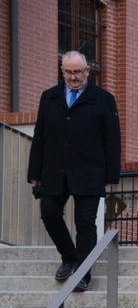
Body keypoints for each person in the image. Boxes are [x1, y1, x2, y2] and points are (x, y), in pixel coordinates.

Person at [27, 50, 121, 292]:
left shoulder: (103, 99)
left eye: (77, 72)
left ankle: (83, 273)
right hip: (54, 170)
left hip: (89, 171)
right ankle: (69, 257)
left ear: (87, 71)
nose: (73, 77)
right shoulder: (49, 97)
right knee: (48, 211)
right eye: (68, 72)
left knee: (86, 224)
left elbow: (112, 140)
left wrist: (111, 175)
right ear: (62, 71)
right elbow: (40, 136)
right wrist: (33, 171)